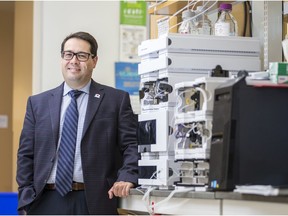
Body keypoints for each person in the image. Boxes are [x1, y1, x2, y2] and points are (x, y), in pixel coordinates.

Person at [16, 31, 139, 215]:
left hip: (95, 201)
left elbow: (131, 145)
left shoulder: (116, 100)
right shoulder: (37, 103)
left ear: (94, 61)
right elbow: (26, 154)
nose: (74, 61)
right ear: (62, 59)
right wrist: (26, 197)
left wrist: (127, 177)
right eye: (68, 54)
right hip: (45, 200)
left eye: (81, 56)